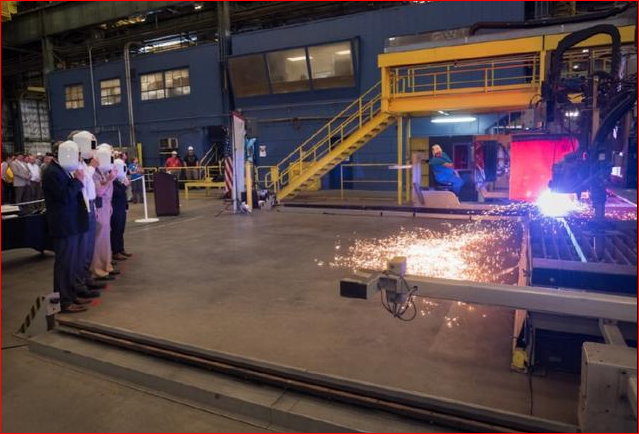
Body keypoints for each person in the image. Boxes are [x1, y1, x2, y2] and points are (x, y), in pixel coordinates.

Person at [42, 140, 91, 313]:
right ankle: (64, 301)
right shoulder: (52, 172)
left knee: (72, 263)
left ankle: (71, 295)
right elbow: (64, 197)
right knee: (65, 265)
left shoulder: (63, 169)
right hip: (64, 225)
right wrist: (78, 181)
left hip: (71, 223)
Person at [92, 144, 118, 281]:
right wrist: (110, 179)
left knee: (105, 237)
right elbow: (99, 192)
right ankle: (98, 267)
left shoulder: (102, 171)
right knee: (100, 238)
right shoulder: (94, 172)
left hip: (106, 205)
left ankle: (106, 264)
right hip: (99, 205)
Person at [111, 159, 132, 261]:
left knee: (121, 230)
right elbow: (117, 193)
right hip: (115, 208)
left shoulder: (119, 180)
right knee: (116, 230)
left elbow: (123, 195)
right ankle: (115, 251)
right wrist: (124, 185)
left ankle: (120, 249)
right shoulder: (112, 180)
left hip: (121, 207)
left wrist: (126, 206)